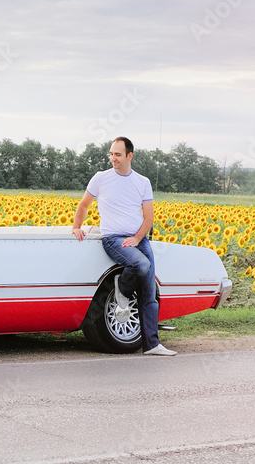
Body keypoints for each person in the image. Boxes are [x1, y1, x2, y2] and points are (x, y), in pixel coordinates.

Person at [71, 137, 176, 356]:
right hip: (113, 239)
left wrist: (138, 238)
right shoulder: (101, 178)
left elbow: (148, 218)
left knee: (149, 293)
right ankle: (123, 289)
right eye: (111, 153)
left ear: (130, 156)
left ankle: (152, 345)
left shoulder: (142, 182)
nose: (113, 158)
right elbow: (84, 204)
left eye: (117, 154)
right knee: (141, 265)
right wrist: (76, 227)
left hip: (138, 238)